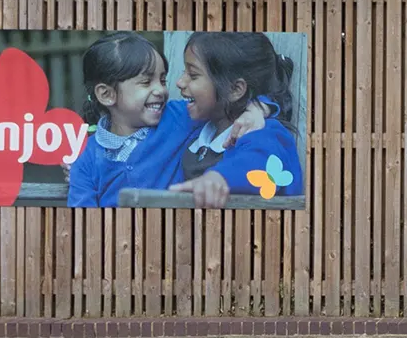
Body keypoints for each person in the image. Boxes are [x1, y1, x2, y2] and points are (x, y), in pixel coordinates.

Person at [66, 32, 267, 208]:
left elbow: (228, 100)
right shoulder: (86, 162)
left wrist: (258, 109)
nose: (161, 90)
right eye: (146, 82)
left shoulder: (178, 117)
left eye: (162, 80)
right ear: (107, 94)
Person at [169, 32, 305, 208]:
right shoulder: (196, 124)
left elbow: (260, 162)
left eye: (193, 75)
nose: (179, 82)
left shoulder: (265, 132)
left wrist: (219, 178)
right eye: (184, 72)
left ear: (235, 90)